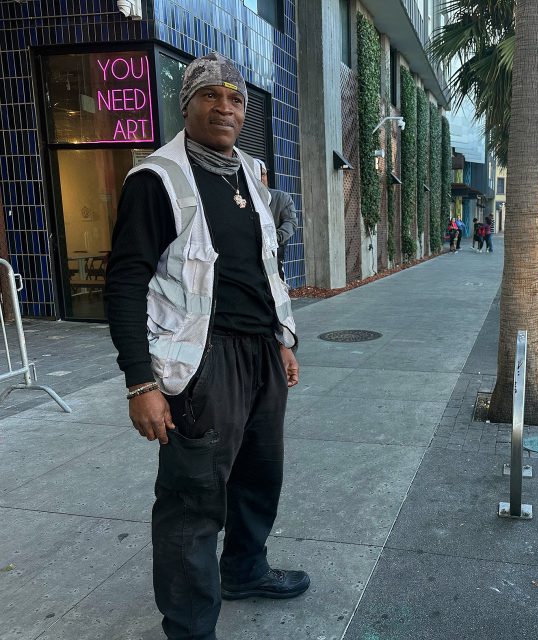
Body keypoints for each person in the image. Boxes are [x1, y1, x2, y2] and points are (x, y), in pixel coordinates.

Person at [104, 52, 309, 640]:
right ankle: (190, 626)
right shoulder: (156, 180)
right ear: (187, 104)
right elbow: (124, 285)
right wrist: (141, 382)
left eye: (236, 98)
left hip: (260, 355)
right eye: (210, 96)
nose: (225, 107)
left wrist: (283, 339)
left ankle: (244, 570)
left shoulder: (250, 171)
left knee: (258, 475)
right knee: (192, 496)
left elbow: (267, 269)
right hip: (200, 359)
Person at [253, 158, 297, 276]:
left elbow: (291, 223)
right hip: (248, 254)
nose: (261, 179)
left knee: (274, 283)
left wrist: (274, 238)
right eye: (257, 175)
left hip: (274, 253)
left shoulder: (281, 198)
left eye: (263, 174)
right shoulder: (243, 199)